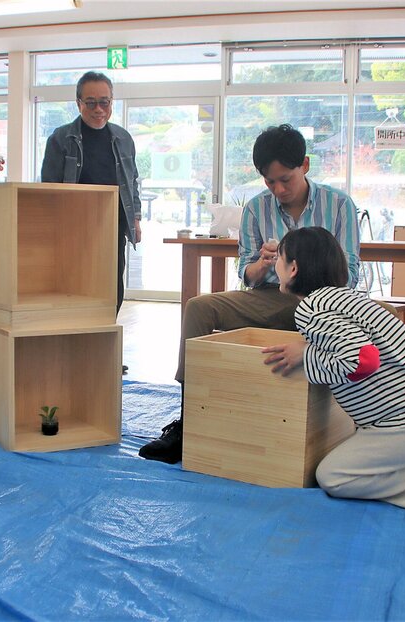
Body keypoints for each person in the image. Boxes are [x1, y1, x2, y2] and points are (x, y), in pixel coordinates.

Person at [138, 124, 360, 464]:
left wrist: (312, 286)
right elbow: (247, 274)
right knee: (199, 307)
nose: (279, 188)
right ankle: (189, 418)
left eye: (285, 178)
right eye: (270, 182)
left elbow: (351, 273)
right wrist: (261, 263)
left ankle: (349, 423)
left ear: (305, 164)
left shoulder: (339, 205)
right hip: (271, 295)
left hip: (326, 303)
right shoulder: (257, 208)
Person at [261, 227, 405, 513]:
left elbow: (363, 360)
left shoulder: (311, 308)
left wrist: (307, 357)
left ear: (293, 268)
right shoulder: (348, 298)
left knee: (333, 476)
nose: (276, 266)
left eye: (279, 259)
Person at [41, 71, 142, 327]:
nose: (99, 109)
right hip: (74, 229)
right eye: (91, 102)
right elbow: (49, 187)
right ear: (78, 103)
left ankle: (104, 349)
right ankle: (79, 351)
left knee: (113, 291)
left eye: (104, 102)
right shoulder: (61, 138)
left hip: (113, 226)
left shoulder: (123, 138)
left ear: (112, 102)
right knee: (78, 291)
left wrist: (136, 219)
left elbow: (132, 182)